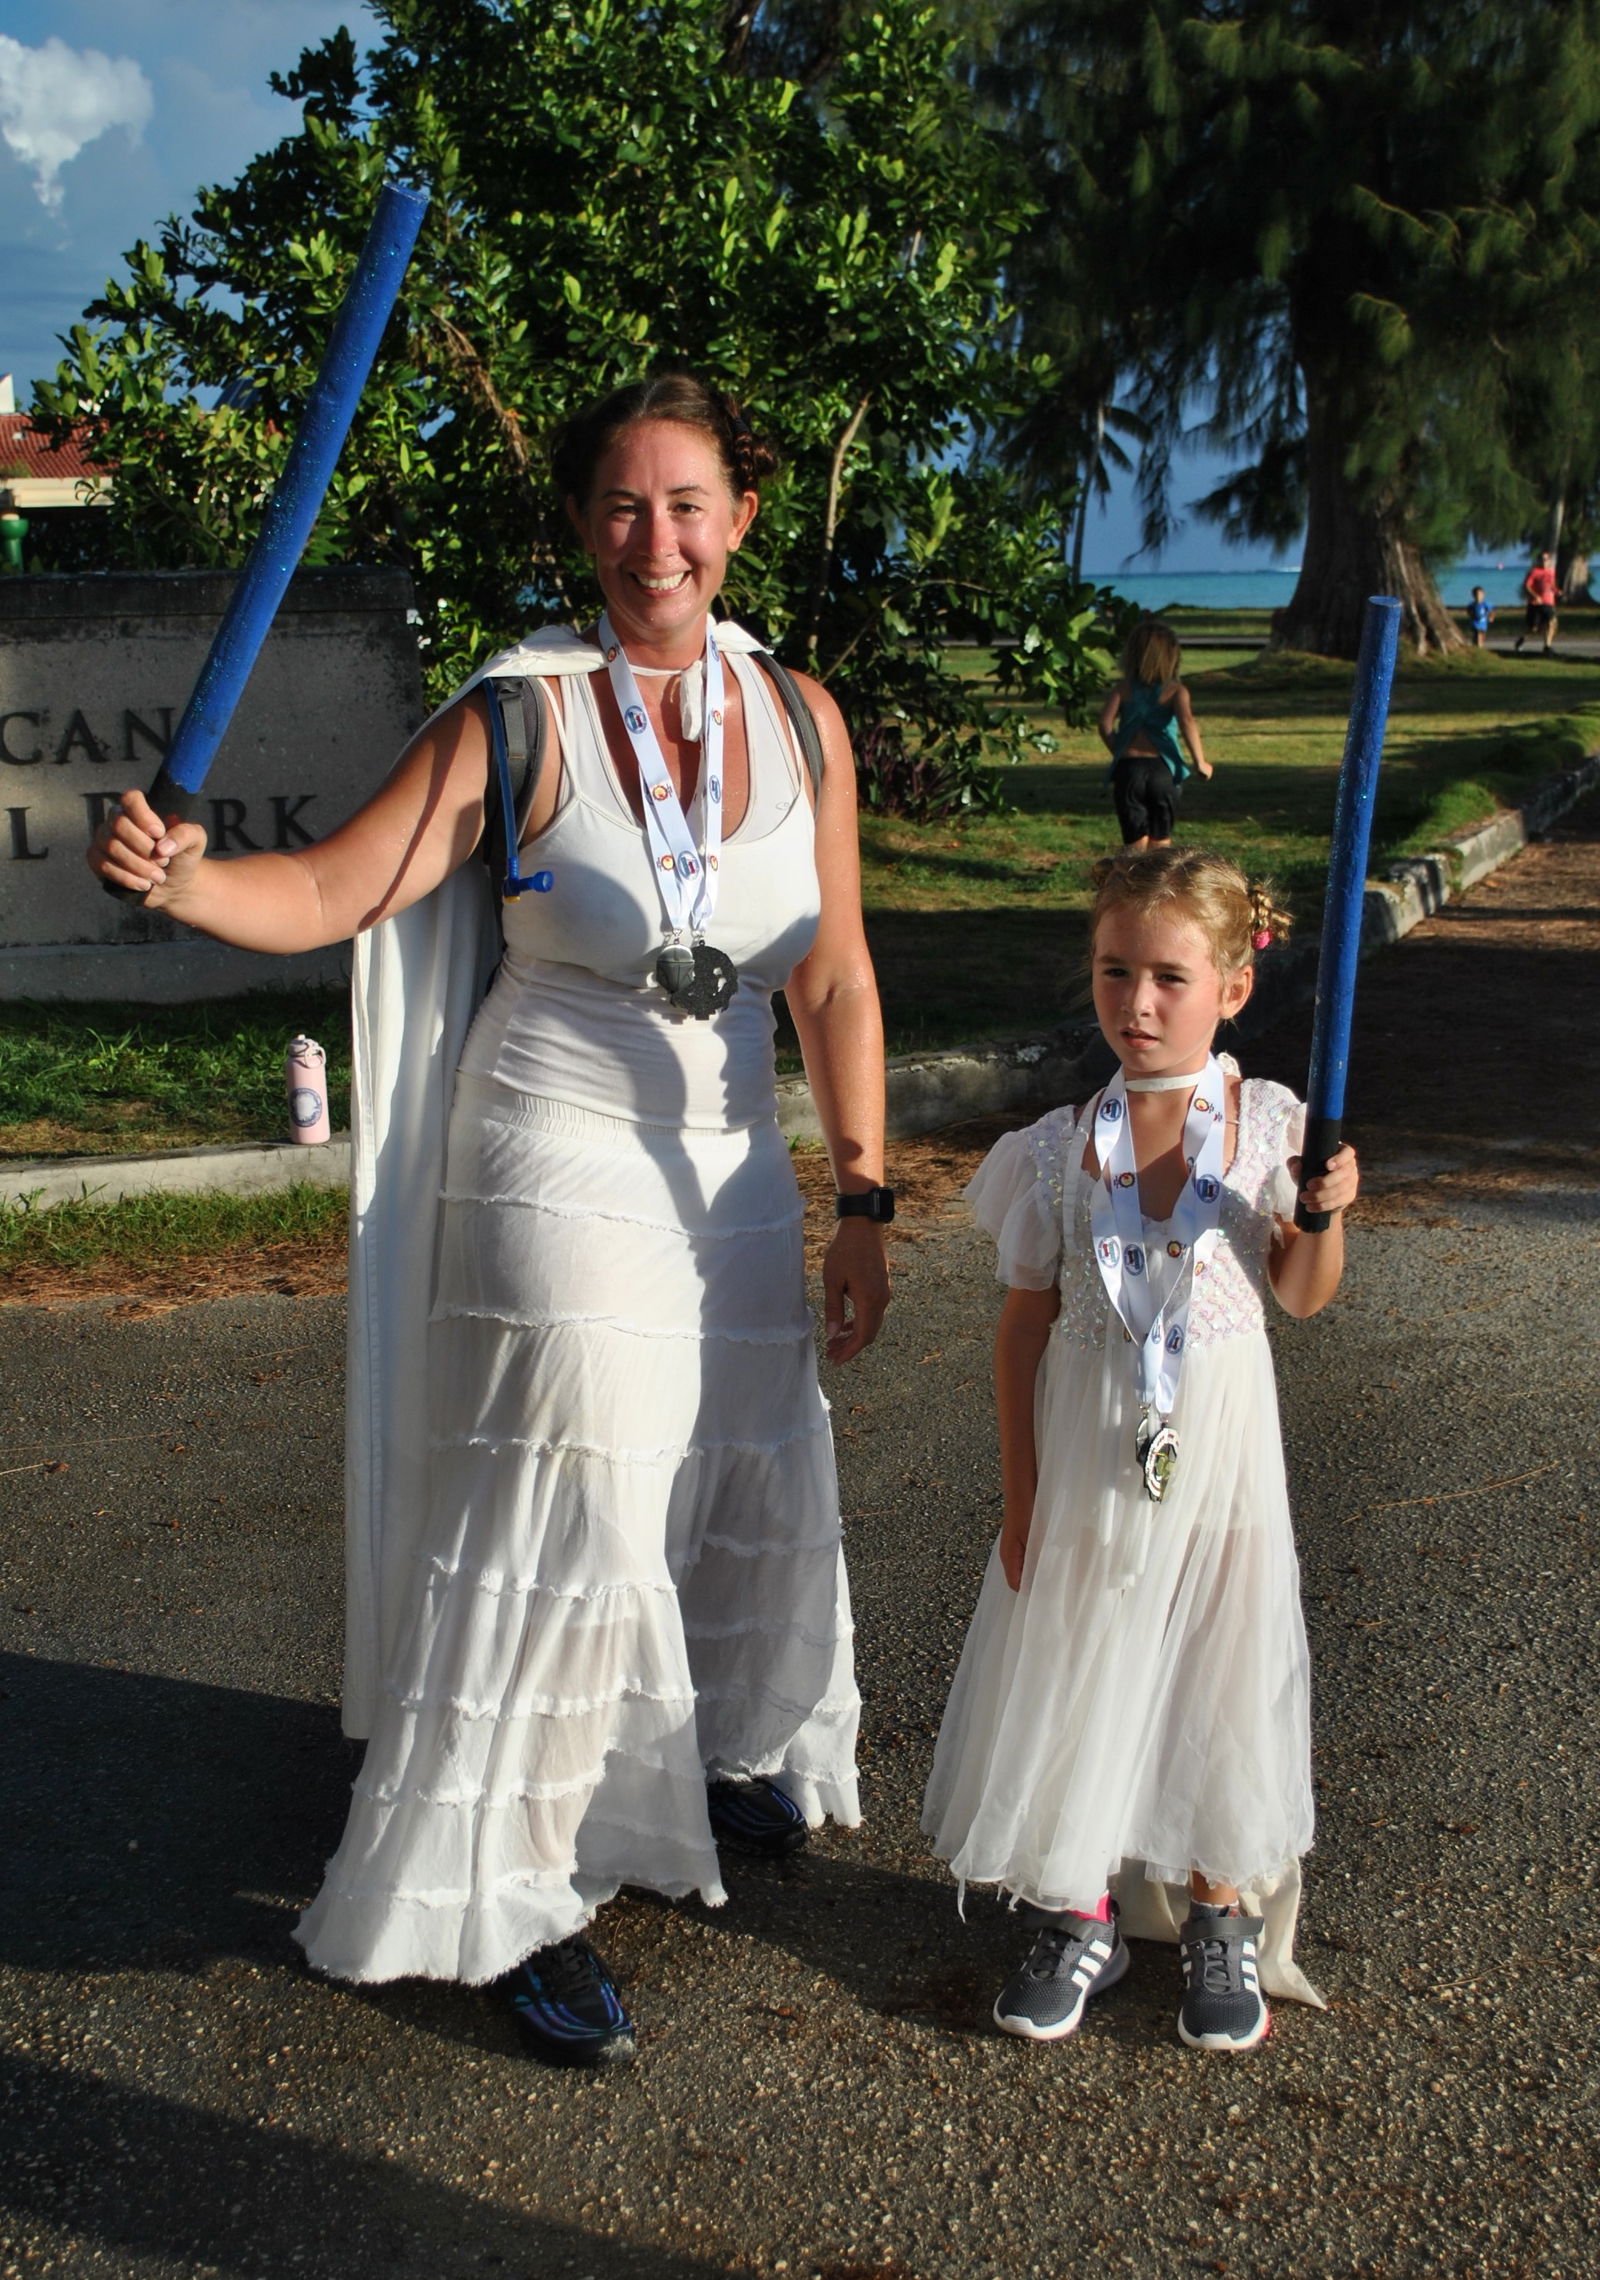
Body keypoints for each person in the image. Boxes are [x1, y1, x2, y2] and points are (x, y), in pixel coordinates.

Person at [88, 373, 892, 2069]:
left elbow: (831, 970)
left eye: (686, 504)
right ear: (582, 527)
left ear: (742, 516)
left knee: (741, 1448)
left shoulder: (804, 718)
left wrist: (863, 1192)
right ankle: (513, 1893)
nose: (654, 540)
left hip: (732, 1157)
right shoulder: (517, 715)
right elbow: (329, 887)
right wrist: (183, 875)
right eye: (620, 505)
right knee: (581, 1501)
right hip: (555, 1141)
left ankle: (706, 1757)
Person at [922, 848, 1359, 2054]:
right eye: (1115, 971)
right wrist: (1021, 1497)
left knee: (1220, 1656)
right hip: (1085, 1444)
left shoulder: (1266, 1122)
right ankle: (1078, 1910)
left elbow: (1302, 1292)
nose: (1137, 1002)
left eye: (1169, 976)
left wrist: (1317, 1215)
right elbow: (1023, 1329)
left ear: (1230, 985)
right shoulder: (1059, 1146)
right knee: (1078, 1653)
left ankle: (1220, 1913)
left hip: (1216, 1448)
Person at [1097, 616, 1214, 851]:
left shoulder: (1122, 689)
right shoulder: (1175, 691)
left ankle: (1130, 884)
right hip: (1163, 770)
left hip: (1129, 770)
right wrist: (1200, 762)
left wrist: (1119, 749)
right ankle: (1157, 886)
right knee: (1161, 840)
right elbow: (1187, 722)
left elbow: (1104, 723)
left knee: (1133, 841)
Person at [1514, 550, 1560, 655]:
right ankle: (1521, 640)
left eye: (1546, 559)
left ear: (1549, 561)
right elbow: (1527, 586)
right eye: (1542, 559)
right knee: (1534, 628)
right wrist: (1535, 596)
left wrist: (1557, 591)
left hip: (1548, 603)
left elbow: (1551, 585)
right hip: (1535, 604)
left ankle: (1547, 646)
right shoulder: (1534, 572)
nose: (1544, 561)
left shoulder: (1551, 572)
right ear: (1538, 561)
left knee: (1551, 622)